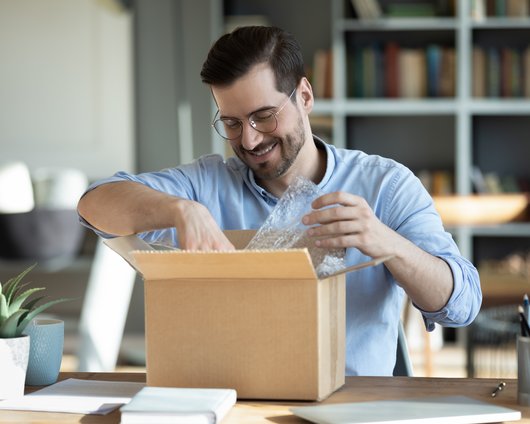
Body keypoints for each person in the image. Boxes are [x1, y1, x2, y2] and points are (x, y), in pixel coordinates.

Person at [77, 26, 481, 376]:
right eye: (232, 123)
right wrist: (179, 209)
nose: (250, 139)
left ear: (304, 96)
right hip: (236, 404)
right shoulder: (207, 184)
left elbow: (461, 305)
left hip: (354, 406)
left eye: (264, 115)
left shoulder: (385, 186)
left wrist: (387, 243)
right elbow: (93, 204)